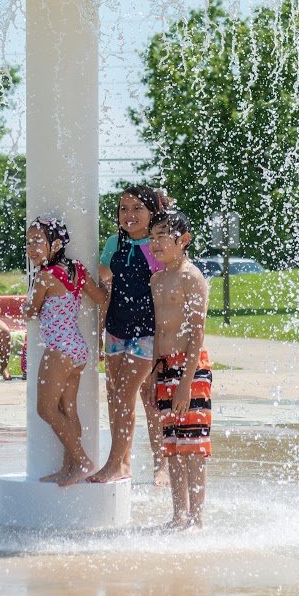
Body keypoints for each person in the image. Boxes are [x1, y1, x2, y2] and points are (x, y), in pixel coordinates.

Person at [87, 184, 170, 485]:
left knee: (138, 397)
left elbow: (167, 296)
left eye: (137, 208)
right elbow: (105, 289)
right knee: (116, 397)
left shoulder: (159, 245)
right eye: (124, 209)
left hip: (147, 333)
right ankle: (124, 463)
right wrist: (98, 333)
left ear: (153, 212)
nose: (129, 214)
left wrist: (166, 342)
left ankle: (156, 463)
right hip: (117, 330)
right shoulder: (114, 243)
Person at [26, 218, 109, 486]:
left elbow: (31, 311)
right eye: (28, 242)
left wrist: (27, 303)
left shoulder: (44, 277)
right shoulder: (77, 269)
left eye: (38, 241)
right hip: (77, 348)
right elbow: (102, 298)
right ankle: (68, 467)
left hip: (59, 350)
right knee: (68, 410)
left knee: (46, 410)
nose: (31, 248)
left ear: (56, 244)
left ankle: (82, 460)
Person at [147, 210, 212, 529]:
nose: (155, 243)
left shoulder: (191, 277)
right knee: (172, 446)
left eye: (162, 236)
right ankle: (178, 515)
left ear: (183, 240)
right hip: (164, 367)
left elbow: (197, 332)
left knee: (193, 447)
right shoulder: (156, 280)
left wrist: (186, 383)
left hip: (191, 369)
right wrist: (154, 375)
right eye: (152, 237)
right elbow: (158, 331)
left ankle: (196, 519)